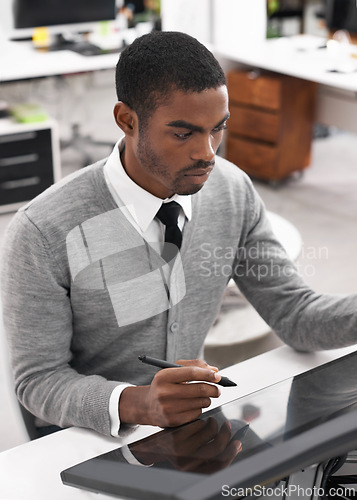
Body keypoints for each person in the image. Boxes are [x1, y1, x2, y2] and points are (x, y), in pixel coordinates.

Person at [1, 31, 356, 439]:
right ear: (127, 120)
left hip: (190, 428)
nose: (208, 152)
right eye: (183, 133)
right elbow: (38, 380)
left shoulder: (231, 191)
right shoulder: (42, 231)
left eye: (217, 129)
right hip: (84, 439)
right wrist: (138, 402)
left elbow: (295, 315)